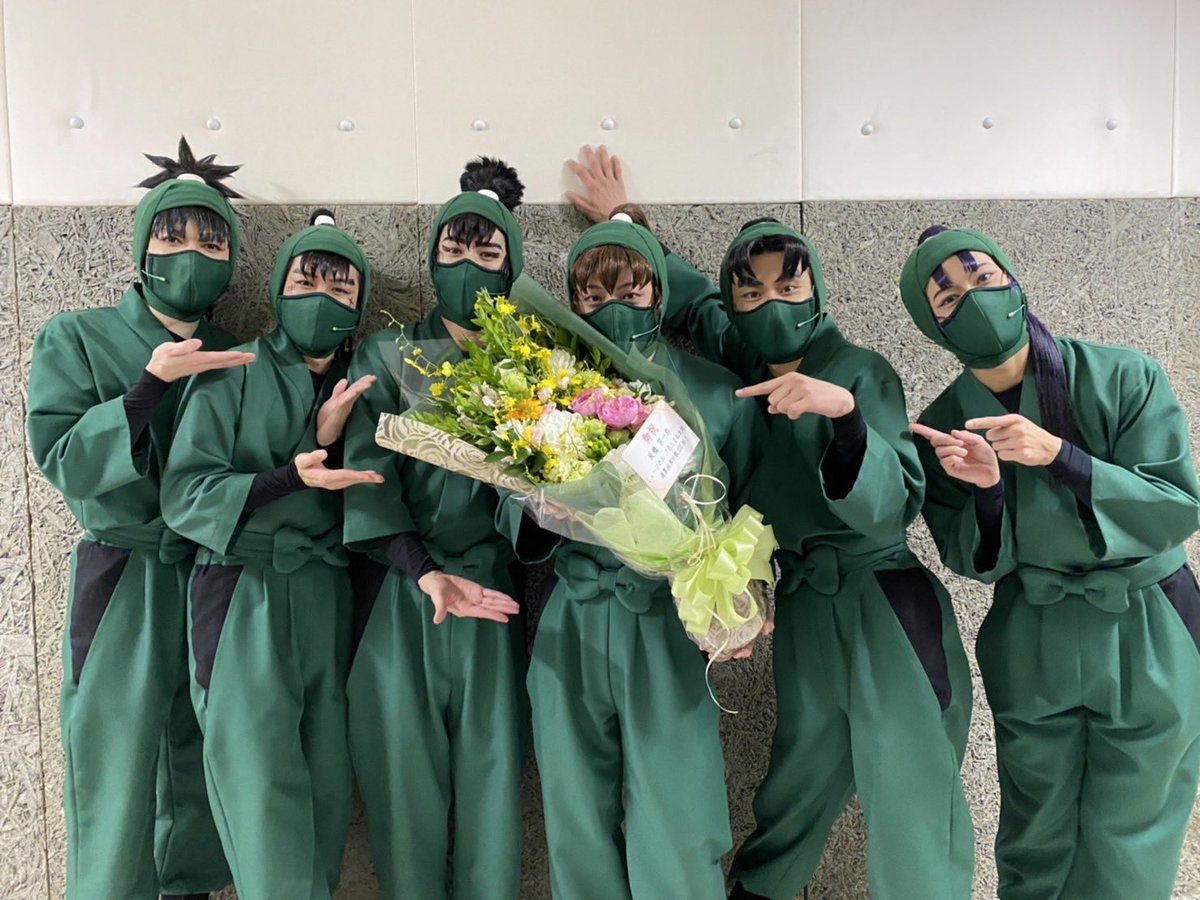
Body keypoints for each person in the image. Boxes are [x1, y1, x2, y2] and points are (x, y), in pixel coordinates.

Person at [566, 149, 975, 900]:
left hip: (884, 598)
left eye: (790, 285)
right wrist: (625, 223)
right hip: (803, 603)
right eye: (751, 291)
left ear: (815, 287)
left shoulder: (860, 370)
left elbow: (894, 500)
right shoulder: (746, 361)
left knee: (913, 797)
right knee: (795, 791)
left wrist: (844, 417)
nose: (772, 303)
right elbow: (689, 301)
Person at [903, 225, 1200, 900]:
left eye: (982, 277)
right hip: (1034, 632)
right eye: (947, 297)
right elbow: (970, 559)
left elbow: (1177, 508)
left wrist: (1061, 457)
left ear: (1012, 279)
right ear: (931, 325)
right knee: (1036, 835)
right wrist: (987, 491)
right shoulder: (945, 424)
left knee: (1133, 837)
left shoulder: (1124, 376)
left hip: (1146, 625)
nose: (973, 299)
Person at [500, 214, 767, 899]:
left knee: (678, 811)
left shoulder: (715, 391)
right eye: (592, 295)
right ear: (572, 298)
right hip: (573, 614)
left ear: (657, 291)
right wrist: (541, 510)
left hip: (668, 618)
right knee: (574, 814)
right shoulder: (547, 390)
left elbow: (756, 506)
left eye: (631, 289)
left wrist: (745, 596)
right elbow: (509, 503)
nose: (611, 306)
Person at [27, 136, 251, 900]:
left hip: (214, 571)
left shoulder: (238, 353)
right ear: (143, 248)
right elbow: (62, 455)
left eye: (211, 241)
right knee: (114, 759)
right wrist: (146, 388)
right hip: (123, 570)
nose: (191, 252)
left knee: (200, 757)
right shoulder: (77, 335)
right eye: (173, 235)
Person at [162, 211, 380, 900]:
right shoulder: (232, 372)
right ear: (278, 289)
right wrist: (288, 476)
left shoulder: (366, 383)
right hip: (241, 590)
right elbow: (185, 494)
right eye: (305, 282)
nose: (322, 299)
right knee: (258, 788)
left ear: (359, 306)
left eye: (341, 289)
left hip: (325, 591)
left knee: (324, 786)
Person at [341, 158, 525, 900]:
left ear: (512, 266)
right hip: (402, 594)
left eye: (487, 251)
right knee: (403, 798)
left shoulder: (535, 362)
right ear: (431, 258)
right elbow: (365, 473)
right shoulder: (387, 355)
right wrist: (419, 568)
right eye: (453, 249)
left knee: (494, 797)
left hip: (495, 595)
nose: (468, 266)